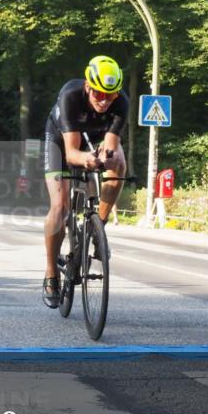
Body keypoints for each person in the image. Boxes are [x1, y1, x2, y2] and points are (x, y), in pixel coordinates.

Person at [42, 56, 129, 308]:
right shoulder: (71, 95)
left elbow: (111, 145)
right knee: (60, 207)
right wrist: (87, 160)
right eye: (99, 93)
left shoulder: (120, 101)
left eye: (110, 96)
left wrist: (105, 158)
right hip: (61, 138)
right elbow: (71, 153)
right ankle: (51, 273)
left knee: (119, 163)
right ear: (89, 86)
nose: (104, 100)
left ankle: (97, 228)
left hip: (97, 134)